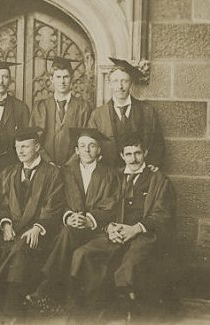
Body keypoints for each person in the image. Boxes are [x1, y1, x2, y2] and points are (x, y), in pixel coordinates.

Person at [69, 134, 177, 321]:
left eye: (138, 153)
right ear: (122, 155)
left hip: (145, 234)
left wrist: (134, 229)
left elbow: (162, 213)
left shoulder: (159, 179)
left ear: (146, 153)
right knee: (83, 253)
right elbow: (105, 207)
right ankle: (89, 309)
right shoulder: (114, 177)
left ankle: (128, 312)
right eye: (128, 154)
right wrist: (109, 227)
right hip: (115, 232)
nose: (133, 159)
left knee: (130, 264)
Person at [25, 128, 119, 310]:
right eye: (82, 146)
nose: (87, 150)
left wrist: (90, 218)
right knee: (67, 232)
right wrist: (68, 217)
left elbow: (111, 203)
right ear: (76, 150)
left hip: (98, 229)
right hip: (72, 227)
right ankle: (50, 289)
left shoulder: (110, 173)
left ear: (99, 150)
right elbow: (57, 201)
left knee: (75, 245)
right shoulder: (65, 172)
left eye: (92, 146)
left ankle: (48, 289)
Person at [88, 57, 165, 168]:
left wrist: (154, 163)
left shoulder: (147, 111)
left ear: (131, 84)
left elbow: (158, 143)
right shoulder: (98, 115)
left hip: (139, 175)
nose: (120, 86)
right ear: (109, 84)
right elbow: (91, 145)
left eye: (124, 81)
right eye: (115, 81)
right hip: (109, 176)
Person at [29, 57, 92, 167]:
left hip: (74, 167)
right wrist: (49, 162)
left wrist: (70, 164)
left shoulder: (83, 107)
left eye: (66, 77)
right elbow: (33, 139)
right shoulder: (41, 107)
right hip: (45, 166)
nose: (62, 81)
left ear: (71, 78)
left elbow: (86, 139)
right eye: (58, 77)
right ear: (51, 79)